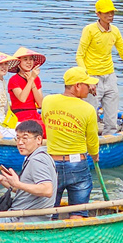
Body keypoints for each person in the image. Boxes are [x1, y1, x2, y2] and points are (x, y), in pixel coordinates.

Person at [76, 0, 123, 135]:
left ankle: (109, 141)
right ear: (98, 14)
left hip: (109, 76)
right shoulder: (89, 30)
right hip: (92, 77)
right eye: (106, 13)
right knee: (90, 113)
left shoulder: (114, 31)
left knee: (111, 116)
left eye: (112, 13)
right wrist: (86, 79)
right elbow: (79, 55)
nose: (110, 16)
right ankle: (89, 141)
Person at [41, 67, 100, 217]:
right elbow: (92, 140)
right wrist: (95, 155)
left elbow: (45, 123)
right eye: (87, 85)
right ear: (77, 86)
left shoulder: (47, 101)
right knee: (78, 212)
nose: (90, 88)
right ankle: (75, 237)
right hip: (77, 164)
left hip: (52, 163)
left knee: (49, 212)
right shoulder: (88, 109)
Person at [0, 120, 57, 223]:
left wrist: (18, 184)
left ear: (39, 139)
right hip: (22, 215)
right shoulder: (36, 157)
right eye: (18, 138)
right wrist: (4, 180)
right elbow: (25, 190)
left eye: (25, 138)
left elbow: (47, 190)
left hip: (24, 218)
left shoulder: (37, 160)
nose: (20, 143)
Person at [9, 47, 45, 126]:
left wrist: (32, 81)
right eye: (25, 59)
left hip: (34, 114)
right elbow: (22, 98)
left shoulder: (36, 79)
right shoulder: (14, 80)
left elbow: (40, 104)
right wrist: (31, 79)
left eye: (31, 59)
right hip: (20, 115)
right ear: (19, 62)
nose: (29, 62)